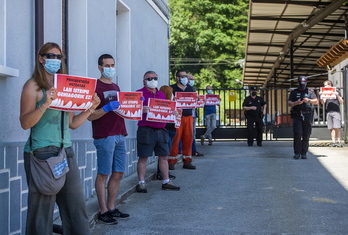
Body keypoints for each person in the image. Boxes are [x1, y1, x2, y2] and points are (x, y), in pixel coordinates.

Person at [20, 42, 100, 235]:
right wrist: (45, 103)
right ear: (41, 59)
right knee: (41, 213)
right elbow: (25, 122)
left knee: (76, 207)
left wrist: (90, 108)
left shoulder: (64, 87)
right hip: (41, 153)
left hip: (66, 152)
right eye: (51, 56)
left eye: (59, 57)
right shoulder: (33, 86)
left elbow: (71, 123)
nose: (55, 60)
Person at [87, 54, 129, 225]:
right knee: (103, 174)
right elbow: (89, 115)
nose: (110, 68)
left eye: (112, 64)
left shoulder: (116, 86)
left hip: (120, 133)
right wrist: (106, 108)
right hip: (104, 135)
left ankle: (112, 207)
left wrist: (134, 105)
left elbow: (122, 109)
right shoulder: (94, 87)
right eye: (107, 65)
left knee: (118, 172)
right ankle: (103, 210)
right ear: (99, 67)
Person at [136, 71, 180, 193]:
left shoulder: (161, 94)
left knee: (164, 156)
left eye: (155, 78)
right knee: (143, 157)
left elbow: (166, 109)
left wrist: (173, 113)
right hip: (146, 129)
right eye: (149, 79)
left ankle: (166, 181)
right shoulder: (139, 94)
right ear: (144, 81)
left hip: (161, 129)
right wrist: (141, 109)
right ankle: (141, 182)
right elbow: (132, 109)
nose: (152, 80)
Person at [168, 70, 196, 170]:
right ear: (177, 78)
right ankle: (171, 161)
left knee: (188, 138)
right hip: (177, 117)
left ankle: (187, 161)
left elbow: (194, 102)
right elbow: (167, 101)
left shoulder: (190, 88)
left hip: (188, 117)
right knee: (175, 139)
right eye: (182, 76)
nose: (185, 78)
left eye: (186, 76)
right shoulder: (172, 88)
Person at [288, 76, 318, 159]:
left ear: (306, 83)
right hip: (297, 115)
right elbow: (289, 103)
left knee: (306, 134)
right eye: (301, 84)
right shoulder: (294, 92)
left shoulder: (310, 92)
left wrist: (308, 100)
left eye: (304, 84)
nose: (302, 85)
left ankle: (304, 152)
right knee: (297, 133)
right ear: (298, 83)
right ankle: (297, 152)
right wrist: (296, 103)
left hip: (307, 115)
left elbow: (316, 101)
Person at [156, 85, 176, 180]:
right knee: (164, 153)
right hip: (167, 130)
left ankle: (164, 172)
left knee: (165, 153)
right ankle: (161, 172)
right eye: (171, 93)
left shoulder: (172, 103)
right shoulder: (164, 104)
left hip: (171, 130)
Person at [319, 80, 344, 147]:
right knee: (331, 127)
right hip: (328, 111)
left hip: (336, 111)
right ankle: (333, 142)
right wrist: (321, 96)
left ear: (330, 85)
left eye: (326, 85)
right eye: (324, 85)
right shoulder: (325, 92)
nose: (325, 86)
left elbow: (341, 101)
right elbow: (323, 102)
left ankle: (339, 141)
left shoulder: (336, 91)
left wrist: (337, 95)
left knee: (337, 127)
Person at [188, 75, 204, 156]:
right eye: (190, 79)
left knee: (193, 133)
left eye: (193, 79)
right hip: (186, 114)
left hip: (193, 113)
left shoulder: (193, 88)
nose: (192, 81)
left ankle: (193, 150)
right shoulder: (184, 89)